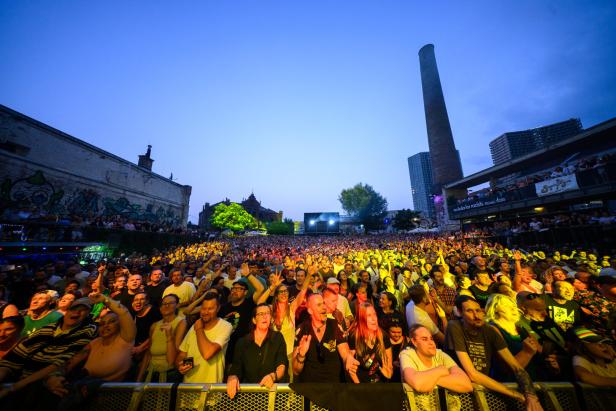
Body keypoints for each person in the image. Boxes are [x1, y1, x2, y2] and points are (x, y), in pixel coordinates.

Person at [445, 296, 543, 411]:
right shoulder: (454, 326)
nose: (476, 316)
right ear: (459, 312)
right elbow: (472, 374)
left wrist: (531, 396)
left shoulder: (490, 330)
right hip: (458, 393)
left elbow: (517, 368)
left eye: (477, 310)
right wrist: (516, 395)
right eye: (469, 311)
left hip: (483, 390)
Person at [292, 293, 358, 382]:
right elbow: (295, 371)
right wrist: (301, 355)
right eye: (319, 305)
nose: (324, 307)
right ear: (310, 310)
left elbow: (345, 354)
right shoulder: (303, 329)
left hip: (333, 388)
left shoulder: (334, 325)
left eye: (323, 303)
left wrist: (348, 359)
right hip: (310, 390)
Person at [226, 304, 288, 399]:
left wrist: (273, 376)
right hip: (248, 396)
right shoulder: (242, 342)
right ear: (254, 320)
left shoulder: (277, 337)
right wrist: (233, 378)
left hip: (272, 395)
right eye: (261, 314)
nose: (264, 316)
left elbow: (282, 364)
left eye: (267, 313)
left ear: (271, 318)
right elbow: (236, 367)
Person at [176, 292, 233, 383]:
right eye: (203, 308)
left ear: (218, 309)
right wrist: (180, 365)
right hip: (188, 386)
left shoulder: (225, 326)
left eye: (210, 309)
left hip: (211, 387)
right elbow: (182, 354)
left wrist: (199, 329)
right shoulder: (194, 326)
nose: (206, 312)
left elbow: (207, 354)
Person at [401, 324, 472, 395]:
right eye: (424, 339)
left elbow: (467, 385)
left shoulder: (440, 354)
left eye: (431, 339)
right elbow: (418, 384)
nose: (431, 343)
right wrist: (441, 370)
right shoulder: (407, 354)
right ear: (414, 342)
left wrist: (431, 380)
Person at [219, 263, 265, 370]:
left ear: (245, 292)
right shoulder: (224, 307)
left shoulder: (249, 303)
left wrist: (248, 275)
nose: (235, 291)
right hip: (227, 349)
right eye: (233, 289)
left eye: (239, 289)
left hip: (246, 348)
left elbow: (260, 289)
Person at [485, 294, 541, 380]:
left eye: (514, 306)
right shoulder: (492, 329)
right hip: (510, 385)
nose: (513, 309)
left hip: (533, 380)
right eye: (507, 306)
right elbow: (505, 369)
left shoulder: (521, 329)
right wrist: (526, 353)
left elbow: (539, 350)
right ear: (495, 309)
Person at [138, 294, 187, 382]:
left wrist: (169, 335)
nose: (166, 306)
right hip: (151, 372)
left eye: (171, 303)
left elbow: (174, 355)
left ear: (177, 305)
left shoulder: (181, 322)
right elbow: (148, 353)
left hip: (169, 374)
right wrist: (139, 380)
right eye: (164, 304)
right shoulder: (154, 325)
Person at [347, 302, 393, 383]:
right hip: (361, 385)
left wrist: (388, 372)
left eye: (374, 314)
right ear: (361, 319)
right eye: (369, 316)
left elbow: (389, 367)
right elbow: (351, 370)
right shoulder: (354, 336)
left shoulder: (383, 336)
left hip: (380, 385)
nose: (374, 319)